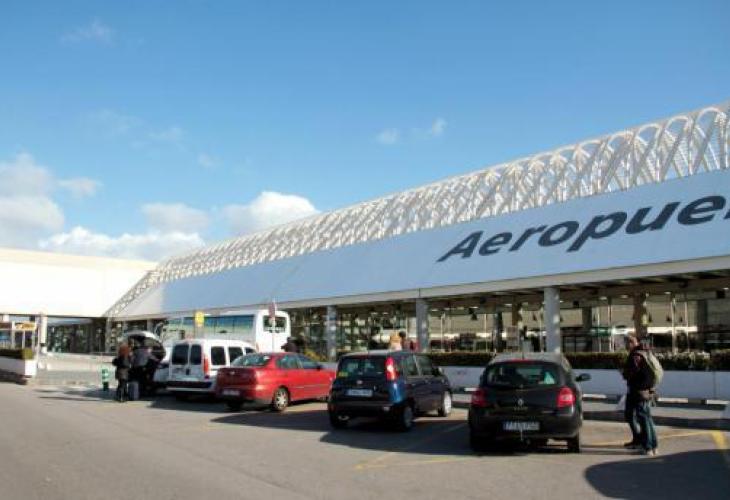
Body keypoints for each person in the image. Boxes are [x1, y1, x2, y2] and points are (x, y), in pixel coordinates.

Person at [622, 336, 659, 456]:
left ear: (631, 343)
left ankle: (647, 447)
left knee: (643, 419)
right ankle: (654, 446)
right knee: (647, 418)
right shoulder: (645, 352)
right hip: (648, 390)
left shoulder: (635, 355)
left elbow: (631, 373)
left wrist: (625, 373)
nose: (625, 346)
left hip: (638, 391)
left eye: (626, 343)